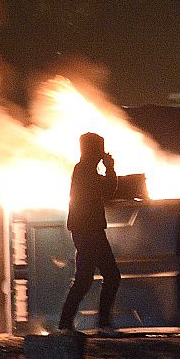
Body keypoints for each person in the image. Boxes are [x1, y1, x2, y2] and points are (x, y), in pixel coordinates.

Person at [57, 132, 121, 333]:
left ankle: (75, 323)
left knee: (97, 278)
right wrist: (110, 168)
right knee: (97, 278)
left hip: (88, 231)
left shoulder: (84, 169)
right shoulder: (85, 171)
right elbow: (109, 190)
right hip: (88, 232)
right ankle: (79, 323)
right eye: (99, 149)